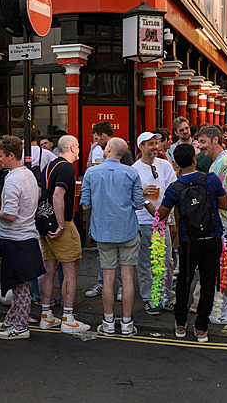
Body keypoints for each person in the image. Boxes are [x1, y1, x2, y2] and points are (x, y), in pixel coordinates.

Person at [158, 144, 227, 342]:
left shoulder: (175, 187)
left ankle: (180, 323)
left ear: (176, 165)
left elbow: (162, 214)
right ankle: (201, 328)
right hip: (212, 238)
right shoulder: (211, 179)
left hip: (189, 241)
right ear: (194, 160)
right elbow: (226, 204)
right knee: (208, 283)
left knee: (184, 281)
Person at [81, 137, 143, 337]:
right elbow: (139, 204)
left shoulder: (91, 172)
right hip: (127, 229)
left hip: (102, 231)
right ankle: (126, 323)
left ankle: (108, 322)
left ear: (108, 149)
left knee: (108, 278)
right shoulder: (131, 172)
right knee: (127, 278)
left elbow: (85, 205)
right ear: (123, 154)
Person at [0, 136, 45, 340]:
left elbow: (10, 215)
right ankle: (13, 318)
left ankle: (20, 326)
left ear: (11, 155)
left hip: (16, 237)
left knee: (19, 286)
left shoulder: (12, 179)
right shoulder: (28, 174)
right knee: (20, 284)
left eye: (1, 156)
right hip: (27, 234)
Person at [38, 135, 89, 333]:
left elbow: (43, 193)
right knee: (70, 269)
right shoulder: (67, 168)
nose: (79, 149)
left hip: (44, 221)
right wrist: (60, 224)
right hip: (61, 222)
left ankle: (46, 315)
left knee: (48, 268)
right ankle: (68, 318)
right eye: (77, 146)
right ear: (72, 147)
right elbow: (58, 195)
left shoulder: (48, 166)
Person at [197, 126, 227, 325]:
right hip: (226, 222)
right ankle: (226, 308)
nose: (200, 147)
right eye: (199, 142)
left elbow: (219, 196)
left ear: (215, 140)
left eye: (203, 142)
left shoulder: (224, 163)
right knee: (226, 266)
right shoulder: (219, 161)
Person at [132, 132, 177, 315]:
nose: (155, 147)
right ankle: (150, 298)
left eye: (156, 143)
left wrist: (171, 215)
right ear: (141, 147)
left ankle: (167, 297)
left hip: (163, 220)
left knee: (166, 260)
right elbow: (130, 196)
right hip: (143, 221)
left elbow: (174, 189)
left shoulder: (165, 165)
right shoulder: (134, 169)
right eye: (150, 144)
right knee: (146, 262)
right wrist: (142, 193)